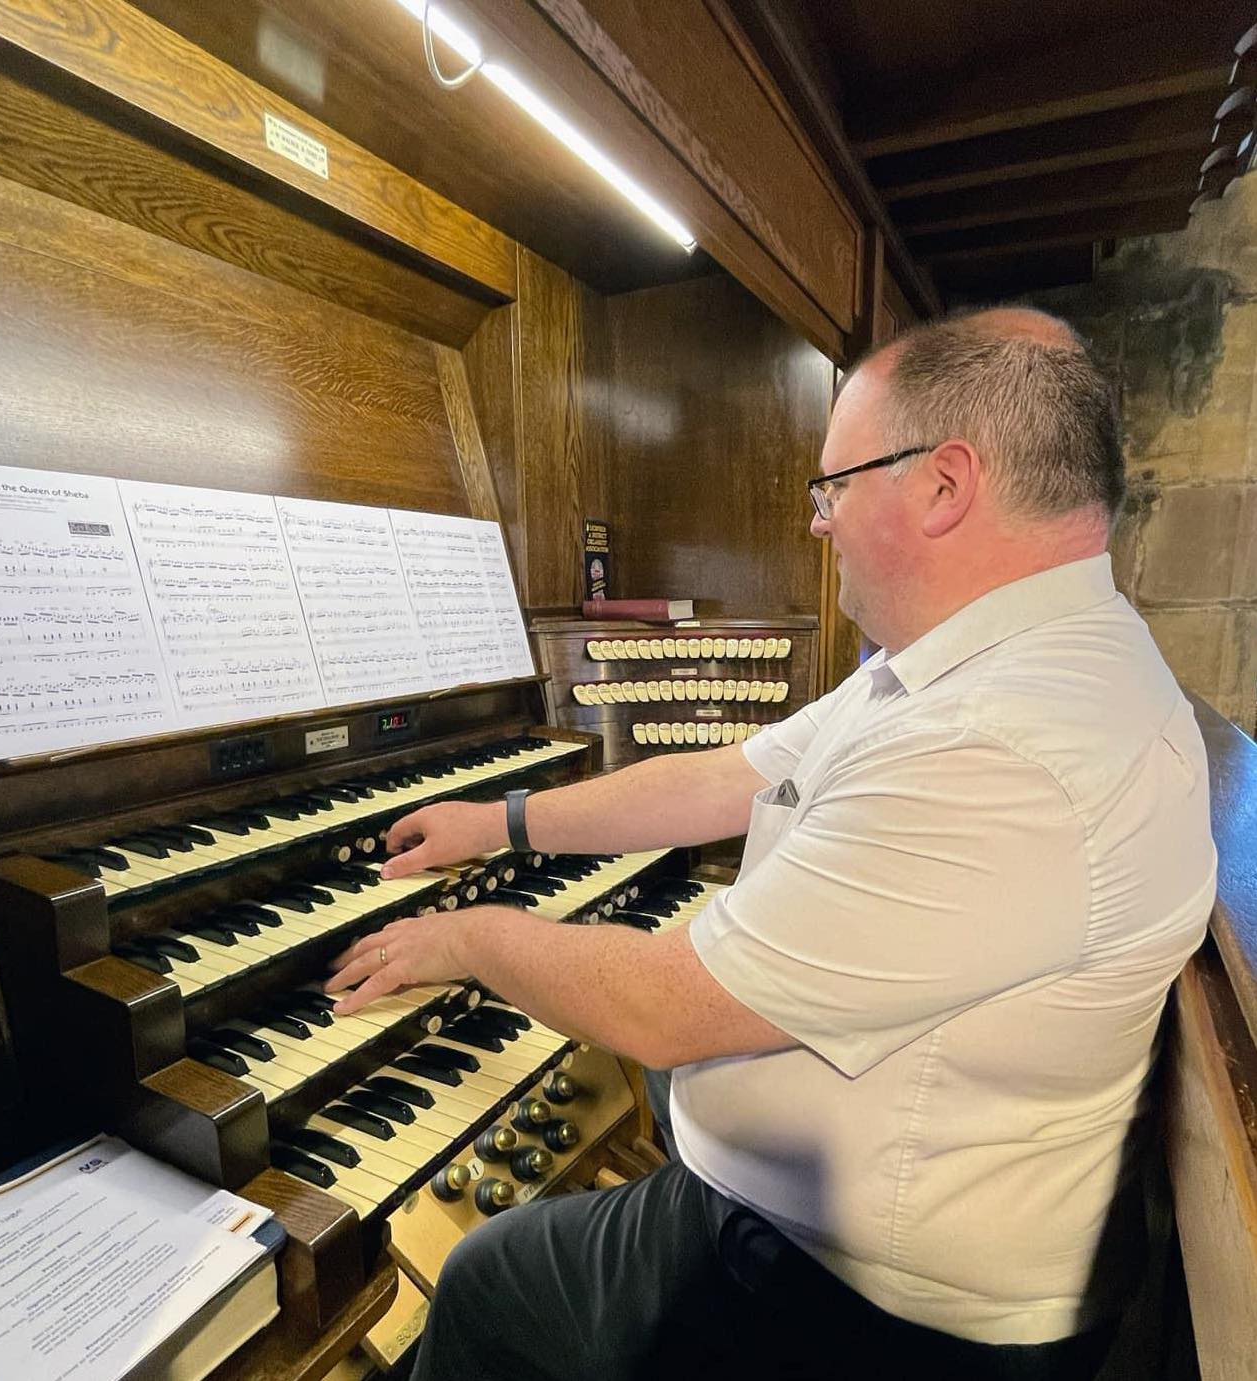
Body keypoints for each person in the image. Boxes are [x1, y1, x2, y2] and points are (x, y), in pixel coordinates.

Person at [325, 307, 1217, 1380]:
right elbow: (724, 777)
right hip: (850, 1216)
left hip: (859, 1307)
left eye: (832, 486)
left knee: (488, 1278)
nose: (817, 522)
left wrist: (469, 936)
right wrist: (502, 821)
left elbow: (656, 1008)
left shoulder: (999, 744)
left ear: (942, 484)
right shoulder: (983, 661)